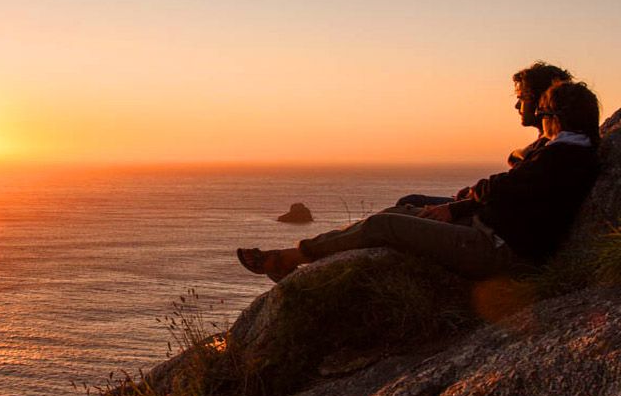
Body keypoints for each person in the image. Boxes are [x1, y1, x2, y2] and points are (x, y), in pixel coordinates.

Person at [238, 81, 600, 282]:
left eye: (542, 113)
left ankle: (291, 257)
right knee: (403, 209)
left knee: (385, 224)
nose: (538, 118)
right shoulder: (571, 151)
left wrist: (467, 200)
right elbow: (508, 189)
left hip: (496, 249)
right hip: (488, 232)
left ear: (554, 117)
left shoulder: (563, 157)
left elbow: (501, 188)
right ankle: (307, 263)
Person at [397, 62, 573, 208]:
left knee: (405, 208)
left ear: (540, 101)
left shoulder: (552, 150)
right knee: (410, 201)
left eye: (522, 98)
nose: (516, 106)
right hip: (484, 207)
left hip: (486, 219)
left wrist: (467, 200)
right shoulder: (549, 145)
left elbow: (510, 194)